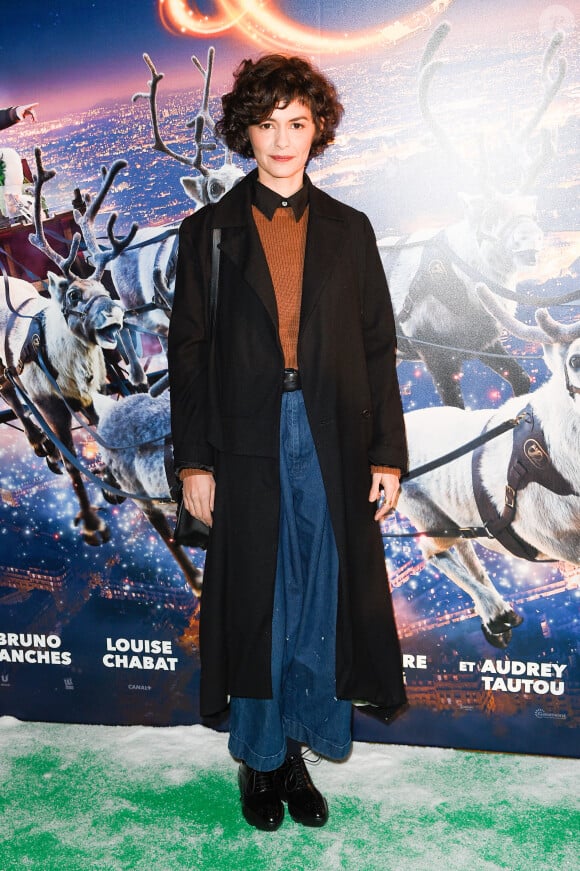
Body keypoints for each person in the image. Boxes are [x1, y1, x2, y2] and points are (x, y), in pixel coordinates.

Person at [168, 54, 408, 832]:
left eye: (297, 123)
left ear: (318, 130)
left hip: (334, 435)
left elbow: (378, 349)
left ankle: (296, 749)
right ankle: (259, 756)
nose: (282, 140)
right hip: (244, 440)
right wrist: (194, 460)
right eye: (267, 123)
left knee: (321, 597)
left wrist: (388, 453)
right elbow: (189, 358)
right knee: (260, 601)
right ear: (247, 130)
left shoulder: (350, 229)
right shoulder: (207, 233)